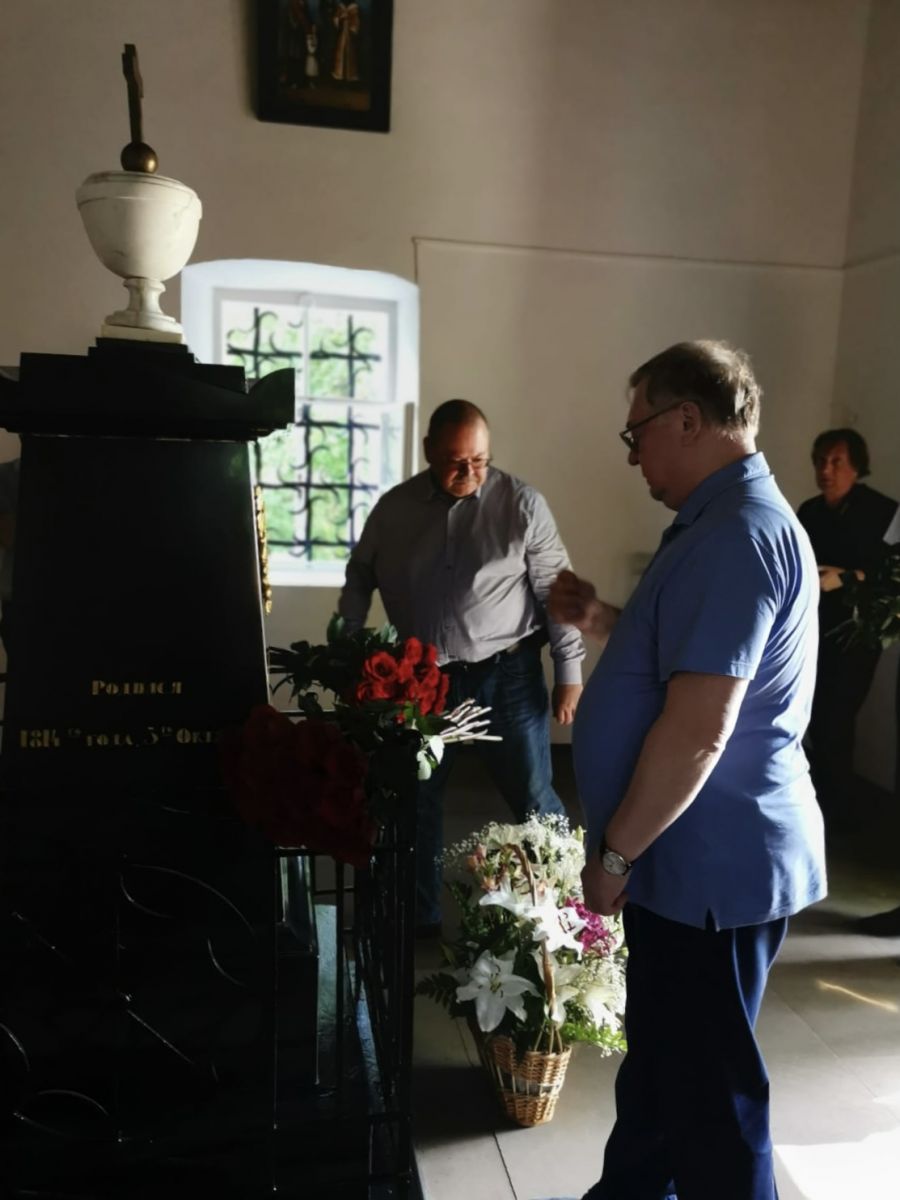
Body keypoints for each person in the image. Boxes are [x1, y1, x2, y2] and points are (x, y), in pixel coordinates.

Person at [546, 341, 826, 1200]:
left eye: (636, 434)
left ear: (689, 420)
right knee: (665, 1078)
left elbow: (702, 729)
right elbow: (689, 653)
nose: (633, 456)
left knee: (711, 1103)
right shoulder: (721, 523)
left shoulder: (737, 534)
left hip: (711, 866)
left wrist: (615, 855)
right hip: (695, 860)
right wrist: (605, 619)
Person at [338, 399, 584, 931]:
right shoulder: (395, 509)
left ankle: (567, 911)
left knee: (533, 794)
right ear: (428, 450)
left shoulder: (521, 504)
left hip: (508, 673)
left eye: (479, 460)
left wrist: (569, 672)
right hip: (423, 680)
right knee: (418, 799)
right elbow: (360, 575)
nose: (469, 472)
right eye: (455, 461)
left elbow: (556, 592)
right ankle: (418, 917)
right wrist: (350, 646)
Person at [796, 430, 898, 833]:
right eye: (821, 460)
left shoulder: (884, 512)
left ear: (856, 466)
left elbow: (893, 576)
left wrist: (846, 577)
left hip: (857, 635)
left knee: (836, 719)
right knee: (813, 719)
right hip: (813, 632)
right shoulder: (810, 511)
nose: (827, 469)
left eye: (836, 461)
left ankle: (838, 814)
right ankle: (819, 804)